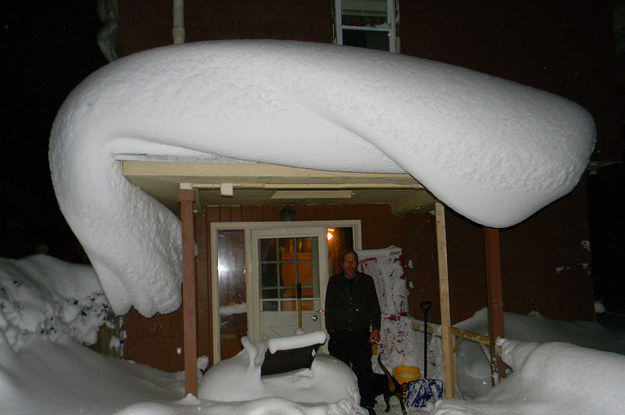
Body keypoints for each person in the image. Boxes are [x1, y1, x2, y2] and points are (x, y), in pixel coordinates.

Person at [325, 249, 381, 413]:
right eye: (347, 262)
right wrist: (331, 329)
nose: (350, 265)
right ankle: (339, 402)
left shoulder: (366, 281)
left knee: (364, 369)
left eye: (353, 261)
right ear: (342, 264)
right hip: (340, 334)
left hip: (360, 333)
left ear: (357, 264)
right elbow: (329, 307)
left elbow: (374, 308)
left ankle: (367, 403)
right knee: (338, 370)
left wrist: (376, 328)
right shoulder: (334, 282)